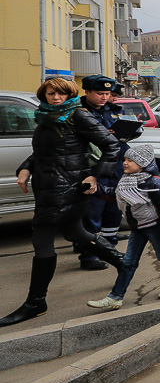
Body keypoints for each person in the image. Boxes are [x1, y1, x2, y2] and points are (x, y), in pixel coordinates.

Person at [0, 77, 124, 327]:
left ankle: (36, 302)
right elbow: (43, 152)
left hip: (66, 187)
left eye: (61, 93)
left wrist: (95, 175)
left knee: (42, 239)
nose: (56, 98)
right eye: (50, 93)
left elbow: (112, 145)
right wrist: (25, 168)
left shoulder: (77, 116)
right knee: (77, 233)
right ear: (43, 95)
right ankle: (125, 264)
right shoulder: (46, 117)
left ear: (70, 95)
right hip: (48, 186)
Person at [86, 145, 160, 310]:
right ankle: (115, 297)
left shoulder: (154, 182)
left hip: (154, 227)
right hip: (137, 227)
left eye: (130, 160)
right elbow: (114, 193)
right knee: (129, 262)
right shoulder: (126, 180)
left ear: (142, 163)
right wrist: (96, 190)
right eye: (125, 159)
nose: (125, 163)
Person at [79, 74, 127, 270]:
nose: (104, 97)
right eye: (100, 93)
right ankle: (89, 257)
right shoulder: (79, 113)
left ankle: (110, 250)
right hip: (94, 168)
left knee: (113, 211)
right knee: (93, 213)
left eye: (107, 94)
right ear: (87, 92)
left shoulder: (112, 110)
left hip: (115, 167)